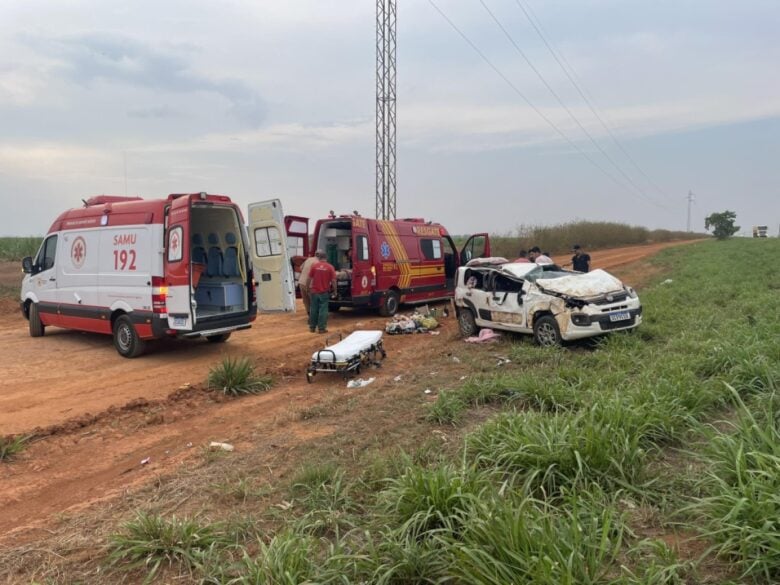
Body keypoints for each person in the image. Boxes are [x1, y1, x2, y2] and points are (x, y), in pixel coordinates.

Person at [302, 249, 337, 333]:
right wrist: (335, 291)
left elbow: (309, 278)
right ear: (326, 258)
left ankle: (312, 327)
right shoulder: (330, 267)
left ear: (319, 258)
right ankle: (321, 328)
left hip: (314, 292)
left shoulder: (314, 266)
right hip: (324, 292)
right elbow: (333, 281)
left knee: (313, 309)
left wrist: (307, 288)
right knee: (323, 310)